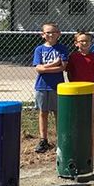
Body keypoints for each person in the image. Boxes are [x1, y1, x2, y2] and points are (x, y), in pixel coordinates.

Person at [32, 22, 69, 153]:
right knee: (43, 113)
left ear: (58, 34)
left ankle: (61, 139)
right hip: (41, 86)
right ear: (43, 35)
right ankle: (43, 140)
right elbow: (38, 69)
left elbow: (63, 67)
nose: (50, 34)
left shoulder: (62, 49)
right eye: (47, 32)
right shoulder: (39, 49)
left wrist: (45, 68)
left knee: (58, 113)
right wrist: (53, 64)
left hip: (57, 86)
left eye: (53, 32)